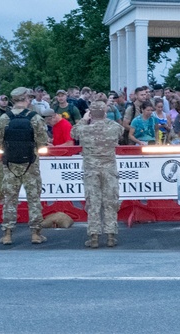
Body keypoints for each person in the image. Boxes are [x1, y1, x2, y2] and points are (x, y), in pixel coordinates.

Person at [0, 87, 51, 245]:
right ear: (26, 98)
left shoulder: (4, 118)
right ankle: (35, 234)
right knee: (33, 199)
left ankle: (7, 234)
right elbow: (42, 142)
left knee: (10, 200)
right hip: (30, 165)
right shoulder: (35, 118)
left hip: (10, 165)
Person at [72, 101, 124, 248]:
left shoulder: (84, 129)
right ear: (105, 113)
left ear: (91, 113)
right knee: (110, 201)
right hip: (109, 169)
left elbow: (73, 132)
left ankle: (94, 236)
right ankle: (111, 236)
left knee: (93, 202)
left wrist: (84, 119)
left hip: (91, 170)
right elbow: (120, 131)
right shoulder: (113, 127)